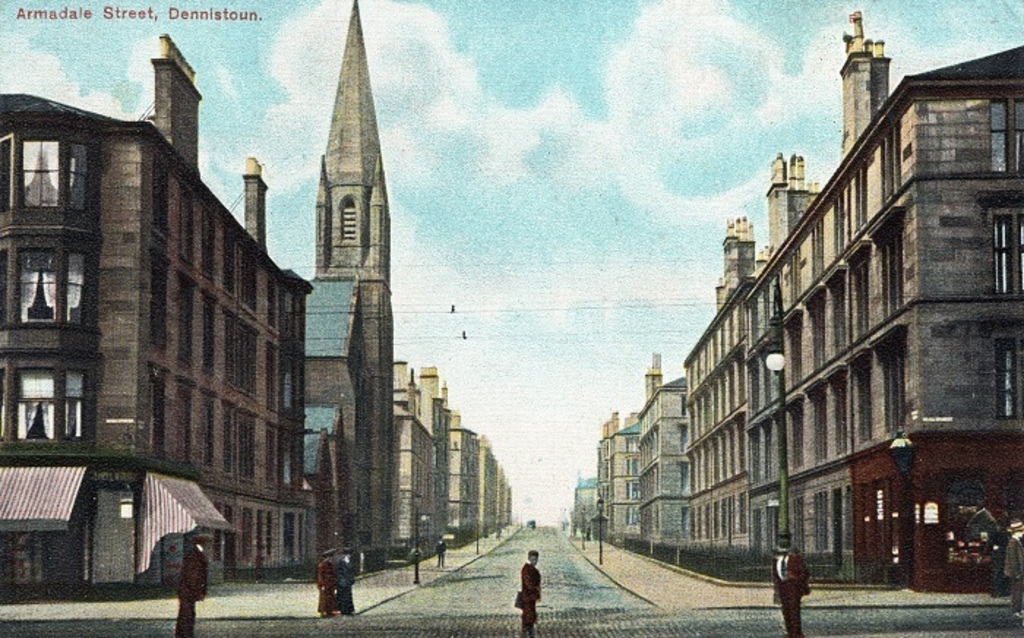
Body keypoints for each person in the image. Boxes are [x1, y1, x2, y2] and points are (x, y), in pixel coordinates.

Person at [175, 533, 210, 638]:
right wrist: (198, 592)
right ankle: (185, 635)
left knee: (186, 613)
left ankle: (183, 635)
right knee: (187, 615)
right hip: (188, 589)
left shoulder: (195, 554)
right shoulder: (196, 555)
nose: (209, 545)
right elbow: (194, 576)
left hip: (187, 589)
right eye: (207, 542)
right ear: (203, 543)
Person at [773, 545, 810, 638]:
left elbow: (805, 573)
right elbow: (776, 576)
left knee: (794, 612)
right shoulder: (777, 562)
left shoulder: (796, 559)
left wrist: (796, 583)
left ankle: (797, 634)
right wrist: (777, 590)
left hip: (793, 589)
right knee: (786, 611)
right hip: (783, 589)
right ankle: (789, 632)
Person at [519, 549, 542, 638]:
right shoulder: (527, 569)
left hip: (530, 598)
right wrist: (536, 589)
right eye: (533, 559)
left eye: (536, 559)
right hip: (528, 597)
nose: (535, 561)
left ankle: (529, 634)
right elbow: (529, 583)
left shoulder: (530, 568)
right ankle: (527, 635)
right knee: (528, 618)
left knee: (530, 618)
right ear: (529, 558)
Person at [1004, 520, 1024, 617]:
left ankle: (1018, 609)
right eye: (1022, 531)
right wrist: (1017, 573)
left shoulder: (1015, 542)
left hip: (1016, 572)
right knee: (1017, 592)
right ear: (1017, 531)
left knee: (1017, 591)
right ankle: (1016, 610)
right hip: (1016, 572)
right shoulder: (1013, 542)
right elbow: (1013, 559)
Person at [316, 549, 339, 617]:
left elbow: (333, 574)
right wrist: (322, 585)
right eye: (330, 557)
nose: (331, 559)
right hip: (325, 584)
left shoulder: (330, 565)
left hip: (330, 584)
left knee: (330, 598)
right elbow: (320, 576)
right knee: (324, 598)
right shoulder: (322, 565)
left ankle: (330, 611)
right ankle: (323, 611)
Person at [335, 547, 356, 616]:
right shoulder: (341, 561)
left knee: (348, 596)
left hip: (348, 582)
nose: (349, 556)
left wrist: (351, 579)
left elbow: (351, 571)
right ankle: (343, 610)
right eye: (348, 554)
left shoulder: (349, 561)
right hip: (342, 582)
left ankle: (349, 610)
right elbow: (339, 572)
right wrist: (341, 580)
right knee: (343, 597)